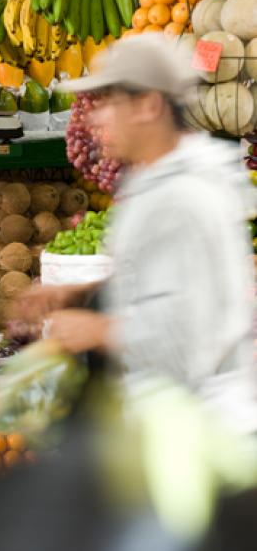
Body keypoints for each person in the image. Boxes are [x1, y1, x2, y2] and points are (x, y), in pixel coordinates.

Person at [16, 34, 257, 433]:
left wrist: (99, 329)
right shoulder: (156, 181)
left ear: (149, 105)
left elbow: (193, 331)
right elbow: (167, 281)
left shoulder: (186, 194)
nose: (97, 118)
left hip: (198, 435)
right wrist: (82, 293)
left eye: (111, 103)